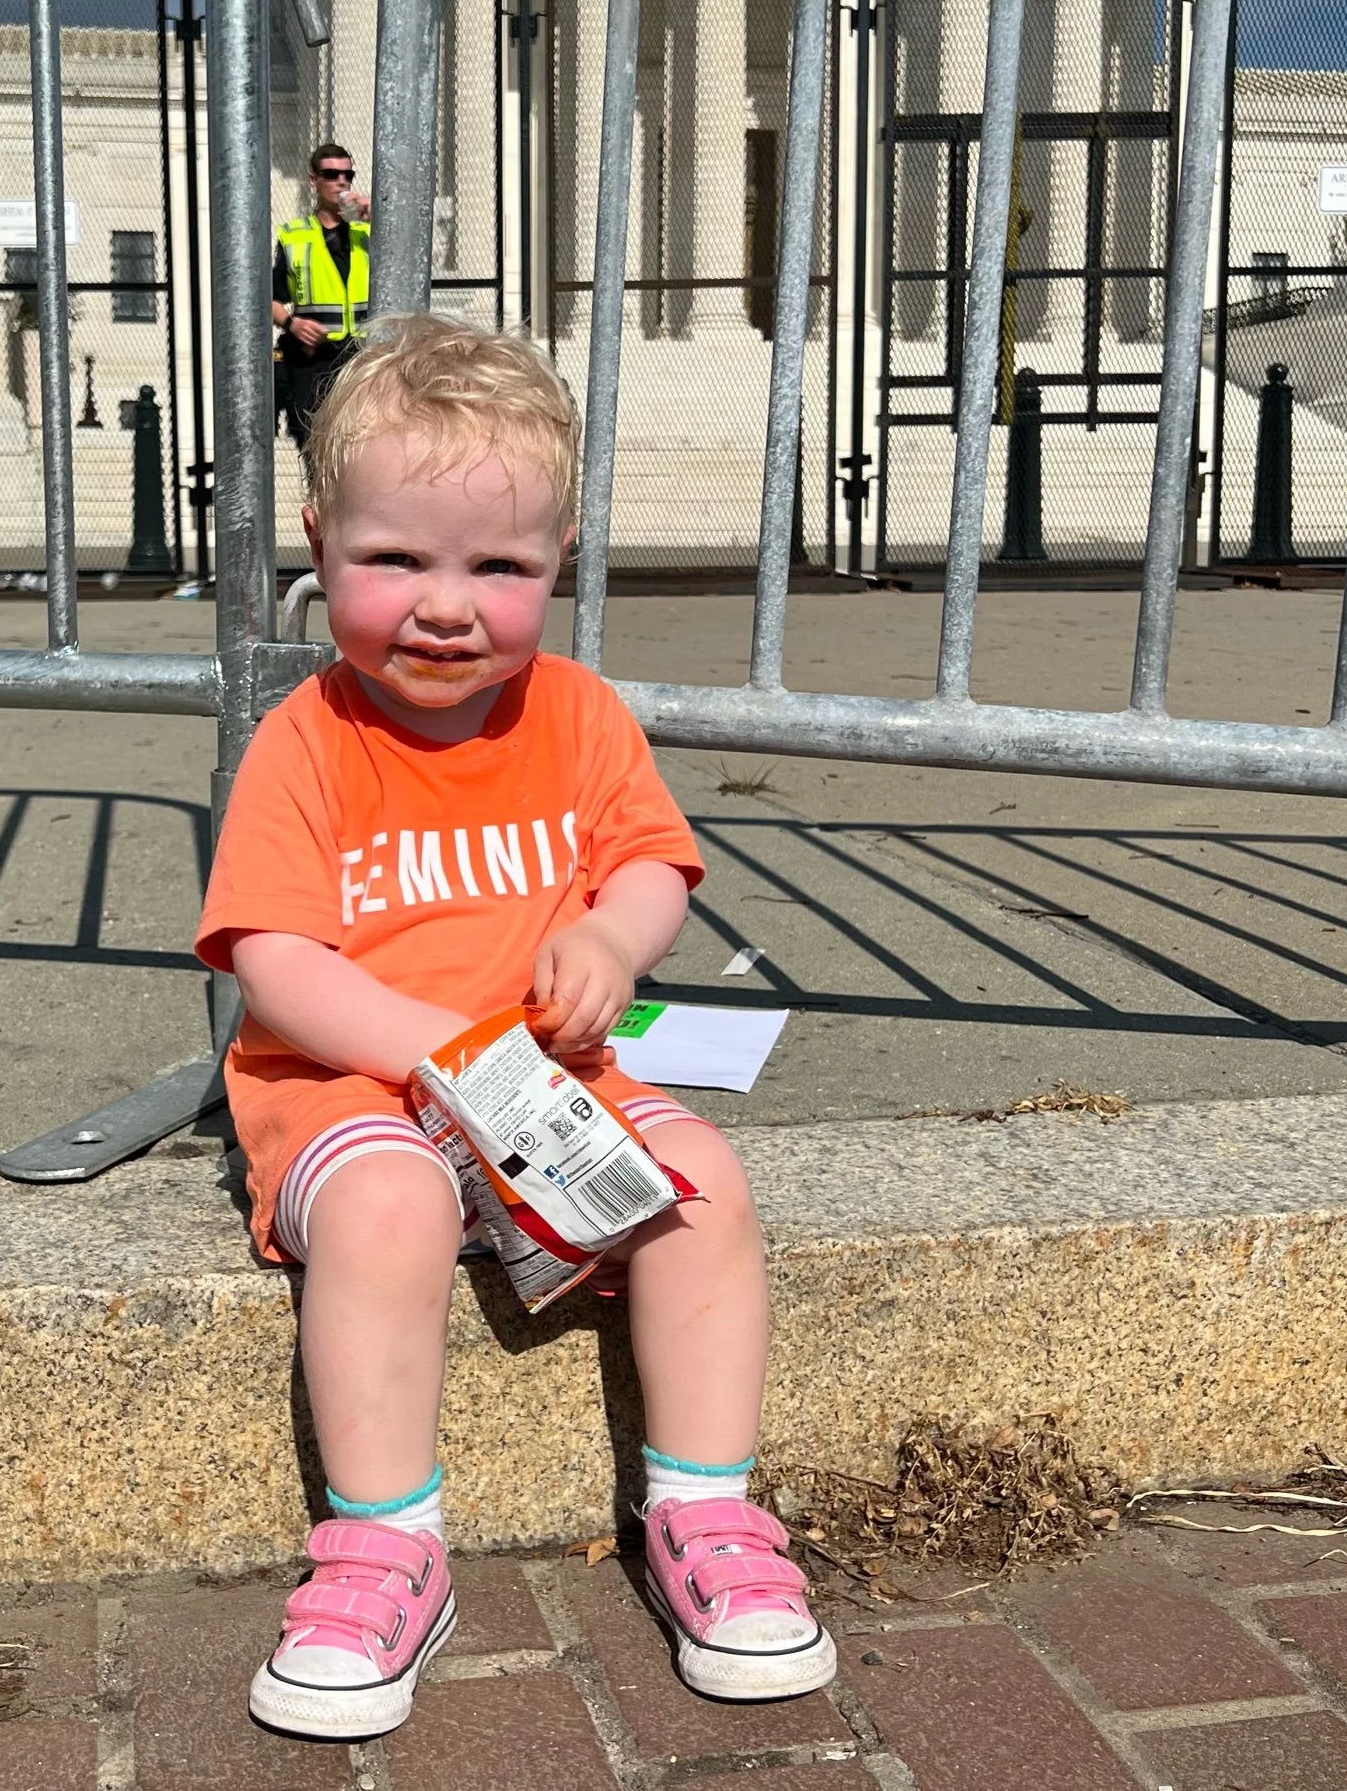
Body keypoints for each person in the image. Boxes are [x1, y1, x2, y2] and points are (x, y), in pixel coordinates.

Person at [195, 314, 834, 1741]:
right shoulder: (309, 739)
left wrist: (613, 937)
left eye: (501, 569)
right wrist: (428, 1045)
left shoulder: (581, 715)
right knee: (384, 1207)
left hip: (549, 1080)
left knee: (707, 1188)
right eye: (395, 560)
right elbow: (274, 958)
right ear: (319, 540)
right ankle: (384, 1541)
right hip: (351, 1087)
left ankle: (706, 1514)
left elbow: (652, 863)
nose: (446, 606)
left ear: (559, 568)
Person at [273, 143, 370, 451]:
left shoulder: (366, 232)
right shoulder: (294, 235)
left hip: (361, 357)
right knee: (316, 448)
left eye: (347, 174)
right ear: (313, 180)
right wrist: (292, 324)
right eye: (331, 174)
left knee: (361, 449)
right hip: (313, 362)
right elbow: (268, 300)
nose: (341, 182)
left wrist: (379, 214)